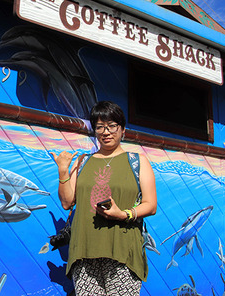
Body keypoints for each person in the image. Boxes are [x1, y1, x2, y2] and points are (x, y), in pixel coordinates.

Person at [51, 101, 157, 296]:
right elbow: (67, 203)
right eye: (100, 127)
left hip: (123, 253)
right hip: (83, 252)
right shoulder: (82, 162)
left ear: (123, 129)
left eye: (112, 126)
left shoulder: (137, 161)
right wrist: (63, 170)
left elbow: (150, 205)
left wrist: (123, 214)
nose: (106, 132)